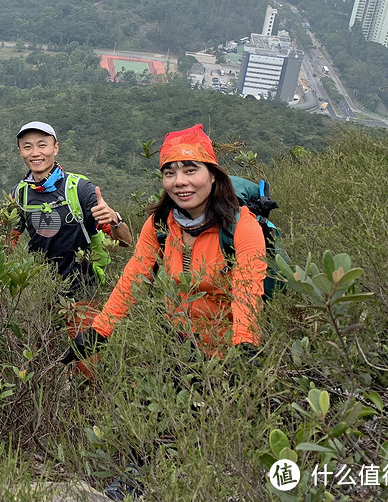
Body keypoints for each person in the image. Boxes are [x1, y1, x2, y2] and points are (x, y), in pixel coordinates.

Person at [66, 123, 266, 362]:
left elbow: (248, 291)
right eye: (169, 173)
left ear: (213, 175)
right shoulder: (161, 224)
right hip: (179, 347)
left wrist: (244, 348)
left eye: (191, 170)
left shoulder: (241, 226)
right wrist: (99, 331)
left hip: (227, 350)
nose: (179, 181)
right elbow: (134, 277)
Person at [0, 121, 132, 299]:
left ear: (55, 148)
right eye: (27, 147)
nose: (35, 153)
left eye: (42, 145)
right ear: (20, 152)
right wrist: (1, 229)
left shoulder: (79, 189)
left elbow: (126, 242)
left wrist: (114, 219)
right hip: (42, 294)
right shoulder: (19, 194)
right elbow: (8, 249)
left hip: (85, 293)